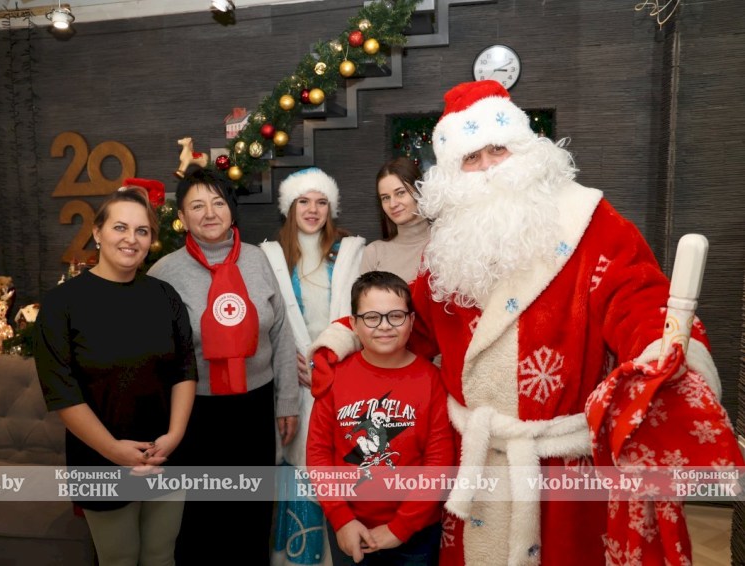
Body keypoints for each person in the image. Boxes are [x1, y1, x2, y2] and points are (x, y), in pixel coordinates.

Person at [310, 80, 743, 565]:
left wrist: (660, 353)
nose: (488, 168)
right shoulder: (452, 246)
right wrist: (345, 336)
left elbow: (637, 298)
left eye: (498, 149)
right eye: (470, 159)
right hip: (473, 458)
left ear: (527, 149)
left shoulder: (591, 221)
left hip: (558, 465)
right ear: (452, 174)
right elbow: (415, 321)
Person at [34, 182, 198, 566]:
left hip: (165, 453)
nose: (131, 239)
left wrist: (173, 437)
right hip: (100, 458)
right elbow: (61, 391)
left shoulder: (165, 296)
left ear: (151, 240)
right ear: (97, 233)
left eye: (142, 231)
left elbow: (185, 369)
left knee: (161, 555)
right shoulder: (62, 304)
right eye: (120, 227)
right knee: (119, 559)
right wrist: (114, 451)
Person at [147, 166, 299, 564]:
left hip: (255, 405)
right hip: (197, 411)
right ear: (182, 216)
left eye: (218, 203)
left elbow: (280, 331)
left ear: (232, 210)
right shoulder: (164, 273)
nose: (209, 213)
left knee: (252, 515)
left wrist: (287, 401)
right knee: (202, 519)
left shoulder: (258, 260)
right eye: (197, 205)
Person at [307, 271, 453, 565]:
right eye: (372, 317)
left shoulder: (432, 380)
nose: (384, 326)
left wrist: (401, 527)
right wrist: (341, 518)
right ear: (353, 324)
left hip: (414, 534)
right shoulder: (335, 378)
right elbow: (318, 453)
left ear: (411, 321)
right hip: (350, 528)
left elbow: (439, 462)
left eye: (396, 316)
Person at [260, 166, 364, 566]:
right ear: (289, 207)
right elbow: (268, 324)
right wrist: (292, 367)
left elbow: (361, 315)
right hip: (293, 380)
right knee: (300, 464)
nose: (313, 209)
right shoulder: (270, 256)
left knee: (343, 465)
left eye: (322, 202)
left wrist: (331, 357)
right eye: (304, 201)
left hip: (343, 376)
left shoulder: (351, 250)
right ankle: (300, 556)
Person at [359, 157, 429, 284]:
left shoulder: (445, 244)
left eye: (400, 193)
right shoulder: (374, 253)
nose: (392, 204)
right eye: (385, 198)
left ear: (419, 191)